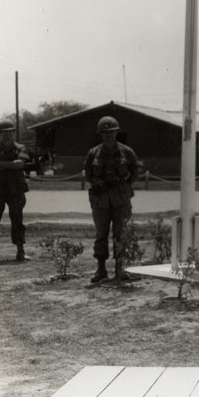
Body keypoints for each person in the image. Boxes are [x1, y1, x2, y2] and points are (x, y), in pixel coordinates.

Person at [84, 116, 140, 283]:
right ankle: (101, 270)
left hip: (120, 199)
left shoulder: (126, 151)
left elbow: (135, 170)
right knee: (101, 234)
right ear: (100, 134)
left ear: (116, 132)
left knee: (120, 234)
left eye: (111, 132)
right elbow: (88, 174)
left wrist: (126, 185)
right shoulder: (93, 153)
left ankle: (120, 269)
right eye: (105, 132)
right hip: (101, 200)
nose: (108, 135)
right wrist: (98, 183)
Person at [0, 120, 29, 262]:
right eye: (5, 132)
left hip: (15, 189)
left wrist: (2, 165)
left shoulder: (21, 148)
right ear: (0, 133)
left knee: (17, 219)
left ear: (13, 133)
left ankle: (20, 251)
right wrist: (11, 165)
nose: (8, 134)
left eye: (10, 131)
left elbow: (20, 164)